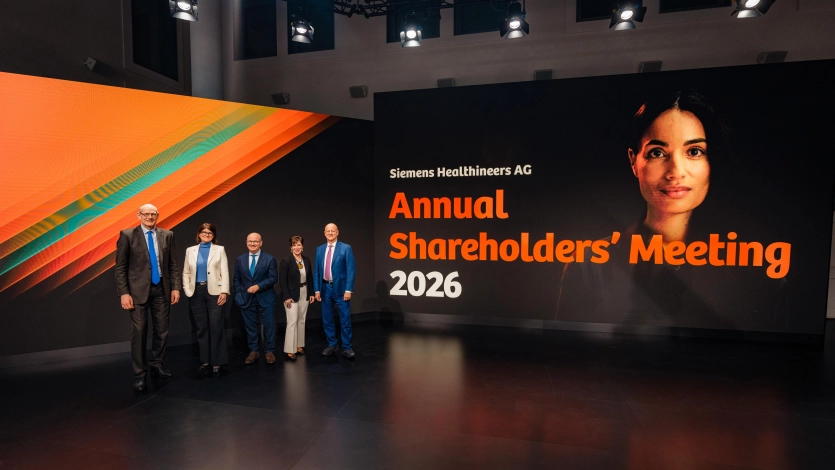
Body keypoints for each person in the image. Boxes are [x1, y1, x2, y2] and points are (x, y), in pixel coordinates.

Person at [556, 91, 741, 328]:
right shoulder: (589, 264)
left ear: (711, 161)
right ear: (633, 161)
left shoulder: (751, 268)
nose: (676, 172)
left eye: (694, 152)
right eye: (657, 153)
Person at [115, 203, 181, 392]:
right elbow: (120, 267)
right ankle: (139, 374)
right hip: (137, 292)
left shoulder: (167, 235)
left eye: (153, 214)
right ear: (139, 215)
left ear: (157, 215)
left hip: (161, 289)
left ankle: (157, 364)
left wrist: (176, 287)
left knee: (162, 330)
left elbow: (173, 264)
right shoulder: (127, 235)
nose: (150, 217)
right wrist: (124, 293)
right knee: (139, 332)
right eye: (146, 214)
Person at [182, 223, 229, 373]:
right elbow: (186, 272)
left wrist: (224, 291)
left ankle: (217, 361)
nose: (207, 235)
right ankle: (205, 360)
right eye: (204, 232)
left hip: (215, 292)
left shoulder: (219, 249)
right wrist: (187, 289)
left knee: (216, 326)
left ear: (213, 235)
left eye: (210, 233)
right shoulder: (190, 250)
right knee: (201, 327)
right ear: (199, 234)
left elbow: (224, 271)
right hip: (196, 292)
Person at [233, 233, 278, 365]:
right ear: (246, 242)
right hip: (246, 299)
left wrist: (258, 286)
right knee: (250, 327)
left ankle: (269, 351)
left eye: (255, 241)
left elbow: (273, 278)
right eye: (250, 241)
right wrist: (238, 294)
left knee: (269, 326)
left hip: (266, 298)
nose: (252, 244)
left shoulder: (269, 258)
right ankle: (253, 351)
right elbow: (236, 279)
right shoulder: (240, 259)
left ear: (261, 243)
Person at [314, 223, 357, 358]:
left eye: (333, 231)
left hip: (341, 289)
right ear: (324, 233)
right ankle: (332, 344)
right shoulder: (320, 249)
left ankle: (347, 347)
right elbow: (317, 271)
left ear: (337, 232)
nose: (330, 233)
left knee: (345, 319)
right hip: (325, 288)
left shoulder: (346, 248)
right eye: (328, 231)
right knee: (327, 319)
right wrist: (317, 290)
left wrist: (348, 289)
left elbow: (351, 269)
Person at [279, 236, 315, 360]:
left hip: (304, 292)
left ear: (302, 246)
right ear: (291, 247)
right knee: (292, 321)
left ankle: (299, 345)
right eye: (294, 245)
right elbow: (282, 281)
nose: (297, 247)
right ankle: (290, 349)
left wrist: (311, 293)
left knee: (301, 320)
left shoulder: (306, 260)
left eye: (299, 245)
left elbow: (309, 278)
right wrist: (286, 297)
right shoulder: (286, 261)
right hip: (291, 295)